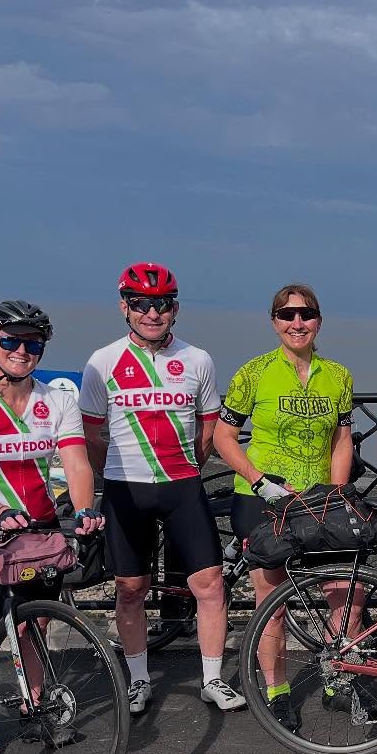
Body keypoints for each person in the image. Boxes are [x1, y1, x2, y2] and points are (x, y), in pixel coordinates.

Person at [0, 301, 104, 754]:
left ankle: (35, 709)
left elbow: (75, 463)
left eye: (33, 343)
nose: (22, 351)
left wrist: (86, 507)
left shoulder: (57, 401)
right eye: (11, 341)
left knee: (34, 623)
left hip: (37, 533)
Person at [79, 262, 245, 715]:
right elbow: (93, 436)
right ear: (124, 307)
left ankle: (213, 679)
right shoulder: (103, 361)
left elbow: (208, 425)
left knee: (209, 584)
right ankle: (138, 679)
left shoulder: (198, 359)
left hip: (182, 485)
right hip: (125, 488)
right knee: (131, 588)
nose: (152, 313)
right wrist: (114, 470)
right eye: (140, 304)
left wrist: (187, 466)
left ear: (175, 308)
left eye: (162, 304)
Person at [213, 283, 354, 732]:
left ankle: (339, 673)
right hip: (262, 499)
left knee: (343, 590)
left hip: (317, 500)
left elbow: (342, 439)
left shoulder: (339, 376)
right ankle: (278, 690)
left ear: (318, 320)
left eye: (306, 315)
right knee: (272, 601)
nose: (297, 323)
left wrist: (336, 492)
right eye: (287, 315)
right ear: (274, 322)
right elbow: (222, 437)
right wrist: (258, 480)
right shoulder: (253, 372)